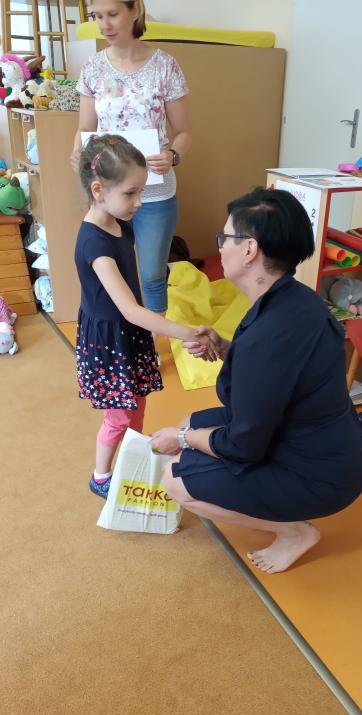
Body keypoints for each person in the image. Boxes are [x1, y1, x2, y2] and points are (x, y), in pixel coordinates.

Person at [151, 187, 362, 574]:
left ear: (249, 249)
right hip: (319, 438)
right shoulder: (297, 298)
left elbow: (244, 446)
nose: (220, 247)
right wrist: (227, 347)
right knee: (188, 423)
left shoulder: (269, 333)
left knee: (176, 479)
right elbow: (280, 372)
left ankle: (294, 532)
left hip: (318, 472)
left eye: (224, 238)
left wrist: (182, 440)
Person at [75, 134, 213, 500]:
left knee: (137, 406)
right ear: (98, 190)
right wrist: (185, 331)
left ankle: (130, 457)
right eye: (131, 193)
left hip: (127, 334)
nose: (138, 202)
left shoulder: (119, 223)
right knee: (118, 416)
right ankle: (101, 476)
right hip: (110, 340)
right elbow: (131, 309)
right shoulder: (94, 244)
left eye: (141, 192)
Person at [71, 0, 191, 317]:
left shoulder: (165, 66)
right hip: (109, 192)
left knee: (151, 275)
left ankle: (153, 339)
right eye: (97, 16)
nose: (104, 25)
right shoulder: (93, 68)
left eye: (112, 14)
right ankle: (122, 337)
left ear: (134, 10)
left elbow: (183, 133)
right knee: (113, 274)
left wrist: (173, 155)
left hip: (155, 190)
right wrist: (77, 150)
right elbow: (85, 129)